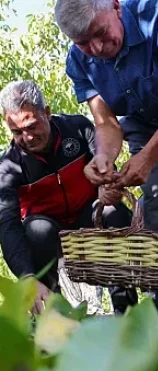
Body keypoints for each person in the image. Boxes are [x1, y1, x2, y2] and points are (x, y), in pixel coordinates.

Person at [0, 80, 135, 314]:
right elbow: (8, 226)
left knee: (115, 211)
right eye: (17, 132)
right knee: (36, 229)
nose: (27, 137)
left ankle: (126, 309)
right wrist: (26, 277)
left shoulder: (79, 129)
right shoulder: (9, 167)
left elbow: (107, 172)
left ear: (47, 113)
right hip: (47, 234)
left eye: (32, 126)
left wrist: (108, 186)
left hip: (90, 220)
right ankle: (52, 312)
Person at [55, 0, 158, 308]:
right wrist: (104, 157)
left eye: (100, 33)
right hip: (143, 125)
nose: (97, 48)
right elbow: (106, 121)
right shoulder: (78, 62)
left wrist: (150, 156)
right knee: (155, 203)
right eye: (83, 43)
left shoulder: (151, 15)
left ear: (114, 5)